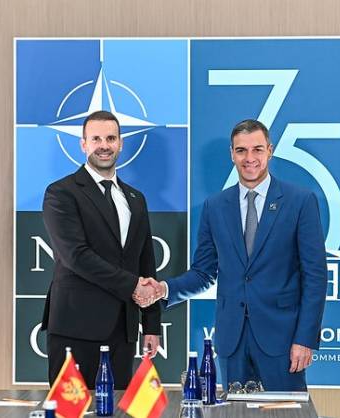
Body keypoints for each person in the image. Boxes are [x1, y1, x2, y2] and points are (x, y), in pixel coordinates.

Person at [135, 119, 327, 391]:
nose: (250, 158)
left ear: (270, 151)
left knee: (285, 410)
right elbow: (203, 273)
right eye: (241, 150)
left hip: (283, 340)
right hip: (231, 342)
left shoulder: (300, 201)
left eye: (257, 149)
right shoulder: (214, 206)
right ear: (232, 154)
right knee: (233, 410)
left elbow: (315, 276)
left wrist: (305, 339)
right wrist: (163, 289)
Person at [42, 110, 160, 390]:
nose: (104, 145)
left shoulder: (135, 198)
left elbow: (145, 260)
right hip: (75, 329)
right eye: (96, 139)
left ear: (120, 144)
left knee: (117, 407)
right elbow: (76, 256)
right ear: (83, 144)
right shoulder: (61, 193)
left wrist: (151, 324)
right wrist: (133, 285)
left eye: (110, 138)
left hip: (123, 330)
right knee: (71, 409)